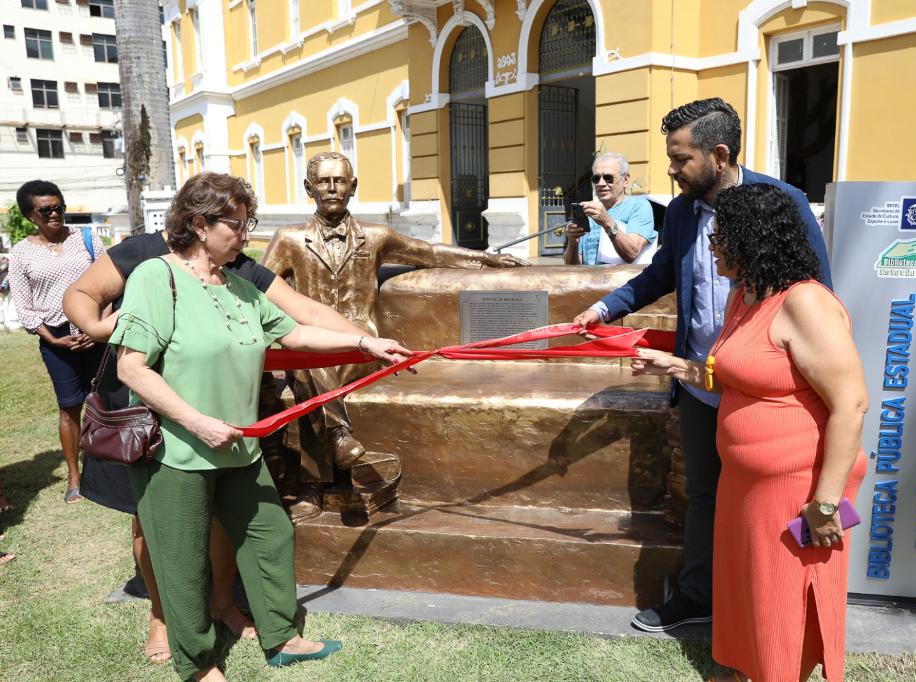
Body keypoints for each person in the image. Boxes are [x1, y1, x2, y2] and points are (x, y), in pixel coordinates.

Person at [63, 174, 409, 663]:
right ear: (200, 225)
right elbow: (131, 368)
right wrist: (198, 422)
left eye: (250, 224)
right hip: (177, 449)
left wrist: (363, 342)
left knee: (270, 532)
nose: (248, 236)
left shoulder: (240, 287)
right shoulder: (154, 277)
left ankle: (282, 637)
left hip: (240, 447)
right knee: (181, 562)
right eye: (240, 225)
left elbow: (294, 333)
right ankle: (198, 663)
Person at [573, 98, 832, 632]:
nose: (670, 169)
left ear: (718, 154)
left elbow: (818, 292)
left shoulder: (781, 203)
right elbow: (659, 274)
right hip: (699, 383)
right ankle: (698, 596)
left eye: (680, 158)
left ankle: (771, 602)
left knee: (768, 496)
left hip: (764, 389)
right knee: (705, 496)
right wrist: (604, 309)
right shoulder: (686, 210)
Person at [630, 183, 867, 682]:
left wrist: (824, 504)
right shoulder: (747, 295)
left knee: (782, 590)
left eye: (722, 237)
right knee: (748, 584)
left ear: (755, 239)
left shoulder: (804, 304)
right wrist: (675, 366)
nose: (712, 246)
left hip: (796, 485)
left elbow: (851, 404)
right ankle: (750, 669)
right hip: (745, 481)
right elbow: (734, 372)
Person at [262, 151, 529, 521]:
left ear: (353, 187)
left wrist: (484, 258)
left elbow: (430, 253)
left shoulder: (376, 236)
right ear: (309, 188)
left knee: (312, 369)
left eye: (340, 180)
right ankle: (325, 466)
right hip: (312, 335)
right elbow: (258, 288)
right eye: (324, 181)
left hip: (361, 338)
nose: (332, 188)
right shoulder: (289, 239)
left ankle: (317, 479)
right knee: (308, 364)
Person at [7, 180, 106, 504]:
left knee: (106, 401)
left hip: (96, 333)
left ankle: (111, 470)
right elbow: (24, 305)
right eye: (45, 209)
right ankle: (74, 476)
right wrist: (53, 340)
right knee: (69, 407)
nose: (54, 214)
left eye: (59, 207)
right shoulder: (21, 253)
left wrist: (97, 327)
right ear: (29, 215)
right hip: (56, 338)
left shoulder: (87, 240)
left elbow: (110, 285)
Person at [563, 152, 657, 265]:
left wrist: (607, 221)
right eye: (596, 178)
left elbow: (632, 253)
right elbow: (572, 267)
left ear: (625, 179)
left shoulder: (639, 206)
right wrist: (573, 243)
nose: (601, 183)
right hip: (589, 281)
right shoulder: (589, 211)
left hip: (623, 282)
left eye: (608, 178)